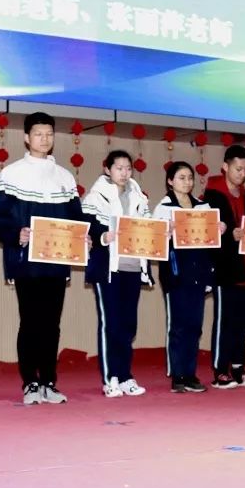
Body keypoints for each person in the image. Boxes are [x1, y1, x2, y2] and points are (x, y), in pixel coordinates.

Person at [0, 112, 86, 405]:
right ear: (26, 137)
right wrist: (15, 234)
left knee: (52, 323)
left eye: (49, 134)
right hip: (25, 261)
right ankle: (30, 382)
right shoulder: (11, 174)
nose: (44, 139)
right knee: (30, 321)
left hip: (57, 262)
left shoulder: (65, 177)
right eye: (38, 134)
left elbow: (77, 219)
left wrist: (84, 236)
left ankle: (49, 382)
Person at [82, 150, 151, 397]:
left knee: (128, 324)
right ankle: (110, 377)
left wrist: (160, 232)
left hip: (133, 265)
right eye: (119, 168)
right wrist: (103, 235)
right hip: (108, 267)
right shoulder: (96, 195)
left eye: (128, 168)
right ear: (107, 169)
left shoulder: (138, 196)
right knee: (111, 323)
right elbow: (87, 224)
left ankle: (125, 376)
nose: (124, 172)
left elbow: (148, 225)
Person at [153, 161, 217, 393]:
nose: (187, 182)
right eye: (181, 177)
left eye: (190, 177)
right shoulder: (163, 207)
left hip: (199, 272)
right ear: (170, 181)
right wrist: (166, 231)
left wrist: (218, 228)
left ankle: (190, 373)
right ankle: (178, 374)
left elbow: (210, 243)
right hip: (176, 273)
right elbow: (154, 241)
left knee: (195, 325)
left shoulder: (203, 206)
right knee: (178, 325)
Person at [202, 145, 245, 388]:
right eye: (238, 169)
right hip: (225, 268)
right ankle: (220, 370)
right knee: (224, 321)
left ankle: (239, 367)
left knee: (243, 321)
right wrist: (230, 236)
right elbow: (207, 233)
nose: (242, 174)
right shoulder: (210, 198)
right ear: (225, 167)